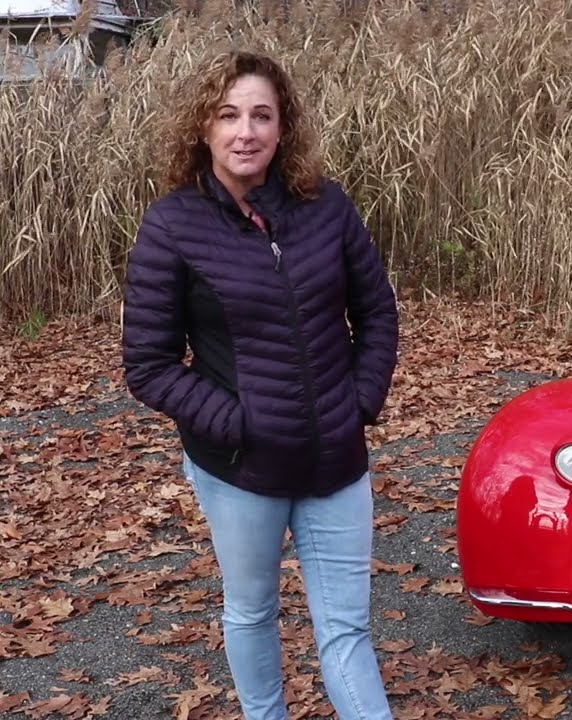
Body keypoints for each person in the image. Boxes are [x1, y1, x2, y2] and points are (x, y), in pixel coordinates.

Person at [120, 48, 399, 720]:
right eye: (229, 114)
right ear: (205, 128)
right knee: (251, 612)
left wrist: (360, 401)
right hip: (240, 470)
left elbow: (378, 310)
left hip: (336, 461)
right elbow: (149, 364)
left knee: (347, 630)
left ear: (282, 129)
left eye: (261, 115)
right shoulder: (173, 226)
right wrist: (239, 423)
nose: (245, 131)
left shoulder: (325, 206)